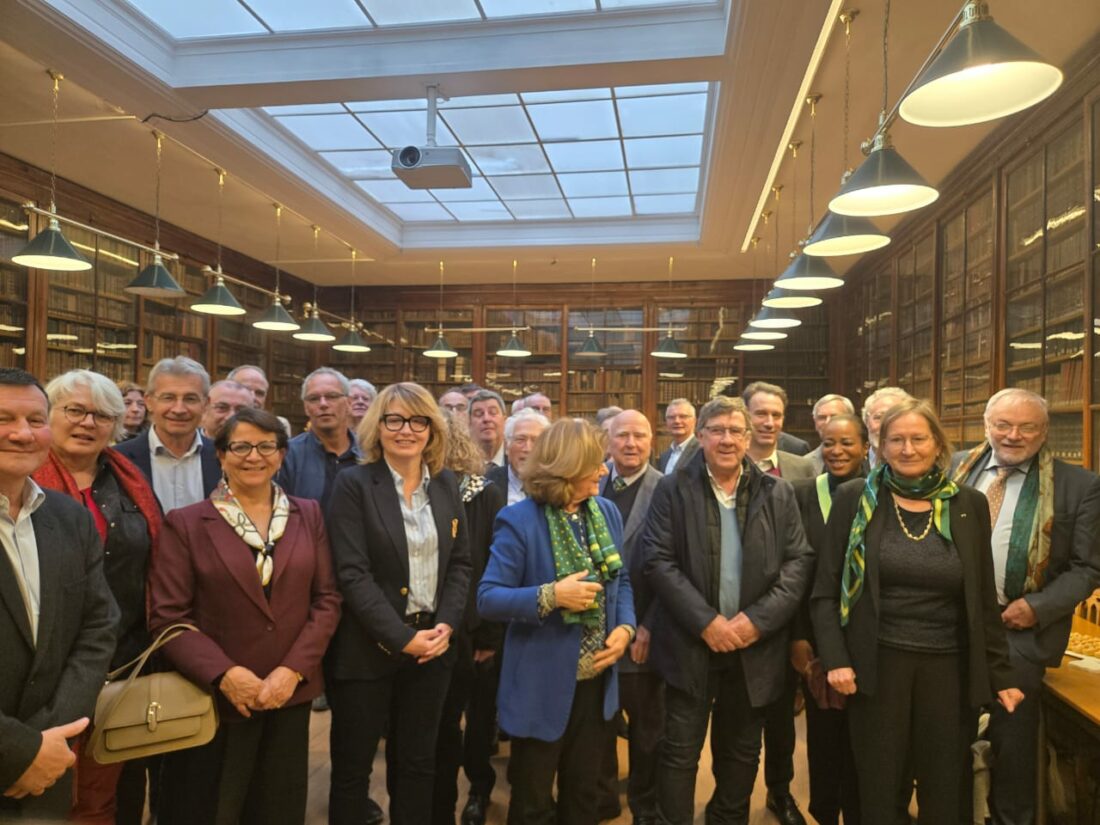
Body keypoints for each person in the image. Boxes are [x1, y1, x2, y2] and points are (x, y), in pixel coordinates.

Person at [811, 398, 1022, 824]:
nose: (908, 449)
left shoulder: (968, 505)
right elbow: (824, 593)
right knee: (878, 786)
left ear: (937, 444)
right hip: (876, 666)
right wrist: (835, 659)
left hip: (949, 669)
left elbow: (982, 600)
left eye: (918, 439)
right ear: (880, 446)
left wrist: (1000, 675)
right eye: (897, 440)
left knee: (946, 787)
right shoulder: (855, 499)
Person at [148, 407, 342, 825]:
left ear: (281, 454)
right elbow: (167, 617)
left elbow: (327, 600)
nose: (253, 456)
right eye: (240, 446)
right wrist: (225, 675)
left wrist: (292, 671)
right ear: (220, 455)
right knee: (208, 808)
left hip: (289, 693)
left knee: (278, 807)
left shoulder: (308, 514)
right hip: (213, 698)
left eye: (265, 446)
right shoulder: (186, 523)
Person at [643, 395, 814, 825]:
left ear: (748, 436)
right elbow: (657, 560)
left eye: (735, 431)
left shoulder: (777, 493)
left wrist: (757, 621)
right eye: (716, 430)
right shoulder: (672, 488)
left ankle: (727, 817)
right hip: (689, 641)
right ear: (700, 437)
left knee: (741, 750)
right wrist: (706, 622)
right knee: (680, 749)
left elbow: (799, 561)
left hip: (754, 645)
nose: (727, 439)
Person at [951, 388, 1100, 825]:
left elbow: (1087, 566)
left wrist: (1037, 607)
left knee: (1012, 751)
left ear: (1044, 431)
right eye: (1003, 424)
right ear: (986, 425)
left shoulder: (1080, 485)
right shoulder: (954, 467)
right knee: (946, 740)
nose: (1013, 435)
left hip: (1019, 636)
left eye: (1027, 426)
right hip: (948, 628)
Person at [325, 382, 471, 825]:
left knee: (417, 764)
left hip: (433, 648)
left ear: (431, 428)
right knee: (353, 770)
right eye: (394, 419)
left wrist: (445, 625)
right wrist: (403, 638)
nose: (406, 430)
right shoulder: (353, 484)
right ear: (377, 426)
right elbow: (352, 573)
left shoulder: (446, 483)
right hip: (367, 650)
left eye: (417, 420)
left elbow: (461, 563)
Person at [478, 418, 635, 825]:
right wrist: (551, 596)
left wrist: (625, 630)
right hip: (540, 684)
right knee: (531, 802)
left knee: (584, 797)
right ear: (566, 467)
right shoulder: (520, 520)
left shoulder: (606, 512)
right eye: (595, 464)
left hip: (597, 683)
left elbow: (623, 580)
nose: (604, 470)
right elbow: (488, 598)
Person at [33, 370, 162, 825]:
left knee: (105, 788)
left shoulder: (129, 480)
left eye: (102, 415)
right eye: (75, 410)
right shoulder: (21, 477)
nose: (88, 422)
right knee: (41, 788)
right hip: (43, 665)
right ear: (49, 414)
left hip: (123, 658)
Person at [0, 367, 118, 822]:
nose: (21, 434)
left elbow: (97, 628)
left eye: (34, 420)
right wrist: (19, 750)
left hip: (51, 763)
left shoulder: (70, 518)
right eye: (4, 419)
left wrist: (52, 737)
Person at [788, 414, 868, 825]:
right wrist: (799, 636)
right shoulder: (801, 493)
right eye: (829, 444)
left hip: (868, 635)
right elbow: (793, 570)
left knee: (864, 739)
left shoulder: (879, 493)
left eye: (848, 443)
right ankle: (824, 811)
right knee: (824, 734)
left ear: (866, 447)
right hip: (816, 632)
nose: (837, 452)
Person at [428, 413, 507, 825]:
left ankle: (479, 789)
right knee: (439, 722)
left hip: (476, 627)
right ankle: (439, 798)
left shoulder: (485, 493)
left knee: (479, 719)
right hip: (429, 628)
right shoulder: (411, 490)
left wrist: (489, 635)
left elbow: (495, 565)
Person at [741, 382, 813, 824]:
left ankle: (781, 790)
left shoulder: (801, 468)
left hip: (788, 608)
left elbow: (807, 545)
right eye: (760, 414)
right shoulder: (717, 458)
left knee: (782, 714)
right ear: (744, 416)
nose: (769, 423)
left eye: (777, 415)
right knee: (740, 714)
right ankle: (733, 796)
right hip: (733, 611)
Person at [597, 410, 665, 825]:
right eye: (622, 435)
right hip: (596, 629)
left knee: (648, 728)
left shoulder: (667, 489)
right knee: (599, 721)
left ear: (651, 441)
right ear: (608, 441)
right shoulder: (592, 483)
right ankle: (602, 799)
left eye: (639, 436)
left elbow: (673, 565)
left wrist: (649, 624)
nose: (631, 444)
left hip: (645, 629)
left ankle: (645, 802)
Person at [114, 356, 221, 512]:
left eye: (190, 399)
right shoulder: (118, 460)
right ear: (149, 402)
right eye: (168, 398)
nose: (179, 409)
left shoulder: (224, 458)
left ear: (205, 404)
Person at [277, 368, 360, 511]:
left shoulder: (370, 453)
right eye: (314, 398)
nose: (323, 404)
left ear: (348, 403)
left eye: (332, 396)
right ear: (305, 407)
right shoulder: (288, 455)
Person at [486, 409, 550, 505]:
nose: (527, 449)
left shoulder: (555, 486)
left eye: (535, 441)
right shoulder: (487, 483)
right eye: (520, 440)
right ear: (507, 446)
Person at [861, 386, 911, 467]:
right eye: (879, 417)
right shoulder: (849, 468)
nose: (885, 425)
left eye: (895, 418)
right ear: (866, 421)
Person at [806, 394, 856, 474]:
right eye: (822, 417)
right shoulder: (804, 464)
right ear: (814, 421)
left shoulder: (866, 460)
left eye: (834, 417)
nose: (827, 422)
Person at [657, 399, 698, 474]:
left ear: (694, 421)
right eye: (671, 417)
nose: (677, 421)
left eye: (683, 416)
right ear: (666, 422)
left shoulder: (702, 452)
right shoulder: (664, 457)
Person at [469, 390, 507, 467]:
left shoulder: (516, 457)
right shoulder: (462, 462)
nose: (486, 419)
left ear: (505, 420)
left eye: (493, 412)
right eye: (479, 414)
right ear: (469, 423)